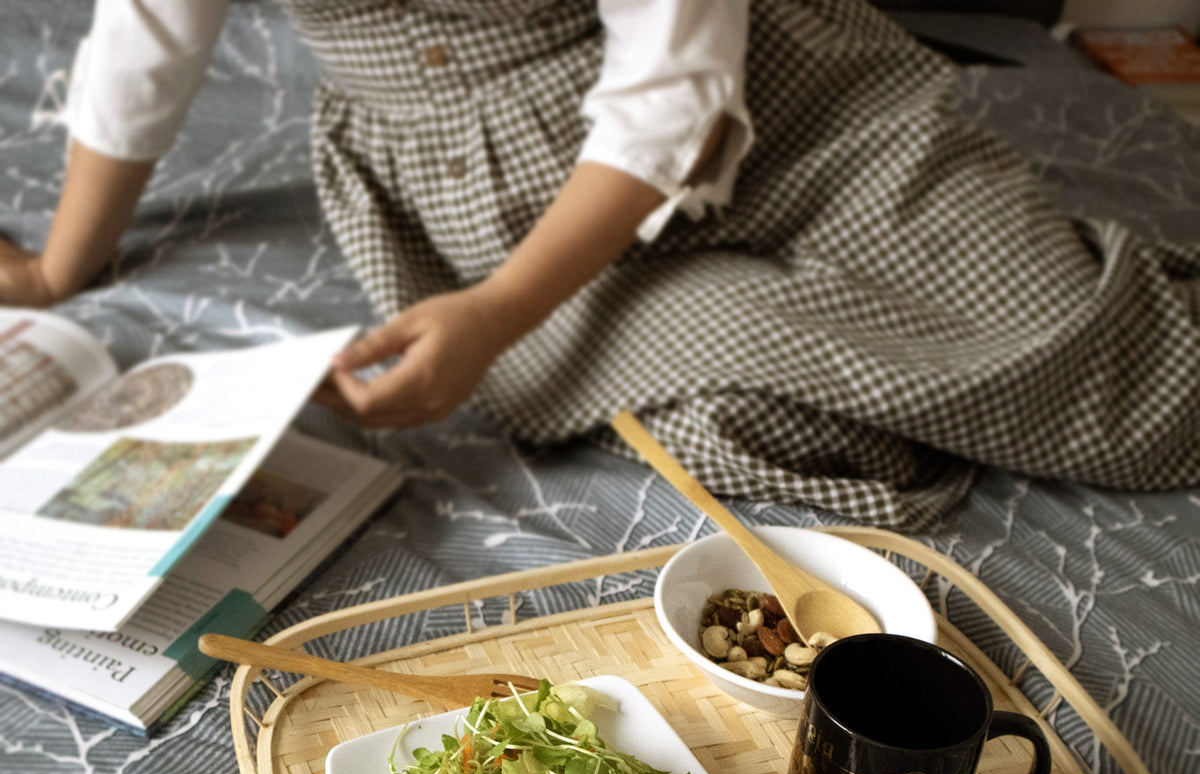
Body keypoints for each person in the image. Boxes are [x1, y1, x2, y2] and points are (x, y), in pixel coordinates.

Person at [2, 0, 1197, 529]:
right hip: (495, 193)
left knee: (1098, 358)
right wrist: (60, 271)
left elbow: (672, 91)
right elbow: (145, 42)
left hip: (796, 115)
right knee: (738, 408)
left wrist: (500, 312)